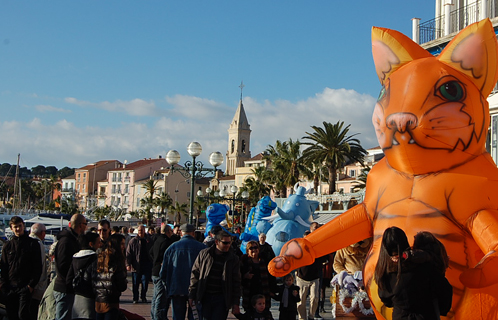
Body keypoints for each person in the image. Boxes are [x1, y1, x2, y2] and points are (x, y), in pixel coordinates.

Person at [375, 227, 452, 320]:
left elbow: (387, 301)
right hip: (426, 315)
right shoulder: (422, 264)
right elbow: (444, 289)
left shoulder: (384, 271)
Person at [189, 230, 241, 320]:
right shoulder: (205, 254)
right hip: (205, 296)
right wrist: (192, 295)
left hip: (222, 298)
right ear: (217, 242)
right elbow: (195, 275)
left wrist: (235, 303)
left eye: (230, 242)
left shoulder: (233, 259)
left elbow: (236, 282)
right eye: (225, 243)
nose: (228, 245)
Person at [160, 224, 206, 320]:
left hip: (177, 288)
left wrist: (168, 286)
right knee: (194, 315)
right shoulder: (202, 248)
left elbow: (163, 272)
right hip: (196, 289)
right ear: (193, 233)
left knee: (177, 315)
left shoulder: (172, 248)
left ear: (181, 232)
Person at [0, 216, 42, 320]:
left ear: (23, 226)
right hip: (10, 287)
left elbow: (37, 267)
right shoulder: (8, 246)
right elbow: (4, 266)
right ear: (11, 228)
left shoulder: (33, 244)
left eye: (20, 226)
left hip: (25, 287)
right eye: (15, 227)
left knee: (23, 315)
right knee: (11, 315)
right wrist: (4, 286)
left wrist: (31, 286)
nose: (18, 229)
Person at [53, 213, 88, 320]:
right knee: (63, 317)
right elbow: (63, 265)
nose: (86, 227)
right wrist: (71, 281)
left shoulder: (73, 239)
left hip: (67, 287)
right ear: (80, 225)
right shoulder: (66, 241)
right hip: (64, 287)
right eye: (85, 224)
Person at [90, 233, 128, 320]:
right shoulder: (116, 260)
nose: (123, 247)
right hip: (111, 301)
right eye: (122, 244)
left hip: (98, 300)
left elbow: (92, 276)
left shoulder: (100, 257)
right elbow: (121, 284)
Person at [66, 232, 101, 320]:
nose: (100, 244)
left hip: (77, 298)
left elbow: (69, 278)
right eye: (98, 242)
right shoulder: (95, 258)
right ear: (91, 244)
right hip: (91, 298)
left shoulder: (75, 258)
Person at [150, 223, 180, 320]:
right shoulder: (166, 242)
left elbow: (150, 252)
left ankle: (154, 316)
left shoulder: (157, 240)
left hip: (154, 270)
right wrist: (161, 262)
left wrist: (155, 261)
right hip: (160, 271)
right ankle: (158, 317)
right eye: (171, 231)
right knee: (160, 297)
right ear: (168, 232)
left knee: (156, 296)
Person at [296, 229, 326, 320]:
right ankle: (302, 318)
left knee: (315, 298)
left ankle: (311, 316)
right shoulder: (299, 248)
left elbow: (324, 258)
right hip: (302, 277)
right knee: (301, 300)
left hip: (314, 276)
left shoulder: (316, 248)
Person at [240, 241, 275, 313]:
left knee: (264, 312)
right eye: (251, 248)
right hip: (249, 292)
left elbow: (271, 276)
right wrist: (245, 276)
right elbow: (238, 277)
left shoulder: (264, 260)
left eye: (255, 247)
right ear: (247, 251)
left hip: (263, 291)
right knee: (250, 313)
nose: (254, 249)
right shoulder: (244, 261)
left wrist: (272, 290)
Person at [126, 224, 153, 304]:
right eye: (140, 230)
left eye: (142, 230)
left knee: (145, 282)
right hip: (136, 265)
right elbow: (128, 253)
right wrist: (128, 264)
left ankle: (143, 296)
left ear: (145, 231)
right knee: (135, 283)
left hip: (146, 264)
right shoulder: (133, 241)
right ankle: (135, 297)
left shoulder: (149, 240)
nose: (141, 232)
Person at [29, 222, 48, 320]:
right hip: (36, 286)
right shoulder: (38, 244)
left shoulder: (27, 241)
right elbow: (40, 266)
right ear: (41, 233)